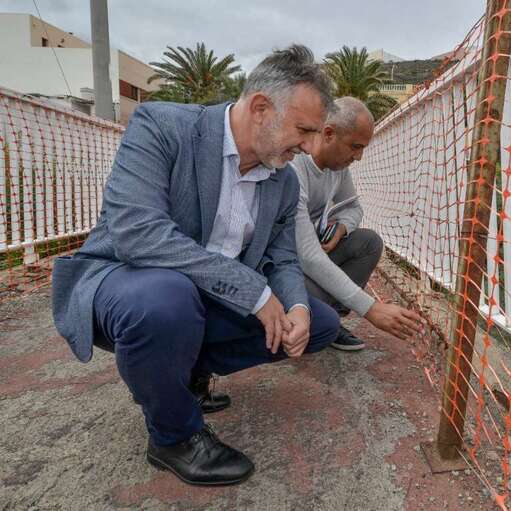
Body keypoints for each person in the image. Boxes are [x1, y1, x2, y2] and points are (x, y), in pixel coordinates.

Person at [51, 45, 339, 486]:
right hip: (127, 282)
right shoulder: (162, 126)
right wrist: (252, 290)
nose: (309, 147)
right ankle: (173, 436)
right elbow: (137, 233)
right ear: (260, 107)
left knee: (319, 323)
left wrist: (295, 306)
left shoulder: (281, 180)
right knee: (168, 300)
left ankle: (182, 375)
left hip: (204, 300)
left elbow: (282, 256)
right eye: (303, 130)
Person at [292, 96, 423, 351]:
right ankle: (317, 321)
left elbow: (353, 207)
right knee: (317, 296)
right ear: (328, 133)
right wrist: (370, 308)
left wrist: (340, 229)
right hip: (286, 268)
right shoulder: (295, 168)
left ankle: (328, 319)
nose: (359, 157)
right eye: (355, 146)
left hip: (309, 257)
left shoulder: (337, 168)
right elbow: (306, 255)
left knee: (369, 242)